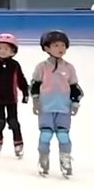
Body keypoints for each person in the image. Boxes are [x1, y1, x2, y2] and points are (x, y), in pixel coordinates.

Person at [31, 31, 84, 178]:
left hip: (63, 108)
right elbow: (35, 85)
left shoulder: (69, 68)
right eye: (56, 45)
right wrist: (35, 101)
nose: (61, 48)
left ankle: (65, 159)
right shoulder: (42, 67)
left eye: (63, 45)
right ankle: (43, 158)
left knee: (63, 135)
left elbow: (74, 87)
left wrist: (75, 103)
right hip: (46, 107)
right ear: (46, 48)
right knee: (46, 134)